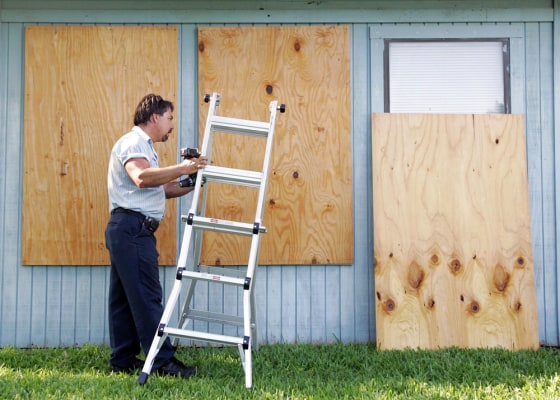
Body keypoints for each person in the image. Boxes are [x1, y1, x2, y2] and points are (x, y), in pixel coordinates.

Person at [105, 94, 207, 377]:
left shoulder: (145, 148)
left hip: (129, 229)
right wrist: (184, 167)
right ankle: (162, 361)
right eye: (169, 118)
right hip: (133, 230)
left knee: (125, 298)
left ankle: (123, 360)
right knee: (148, 297)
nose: (171, 125)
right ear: (154, 117)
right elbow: (141, 177)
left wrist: (191, 180)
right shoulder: (134, 142)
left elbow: (160, 188)